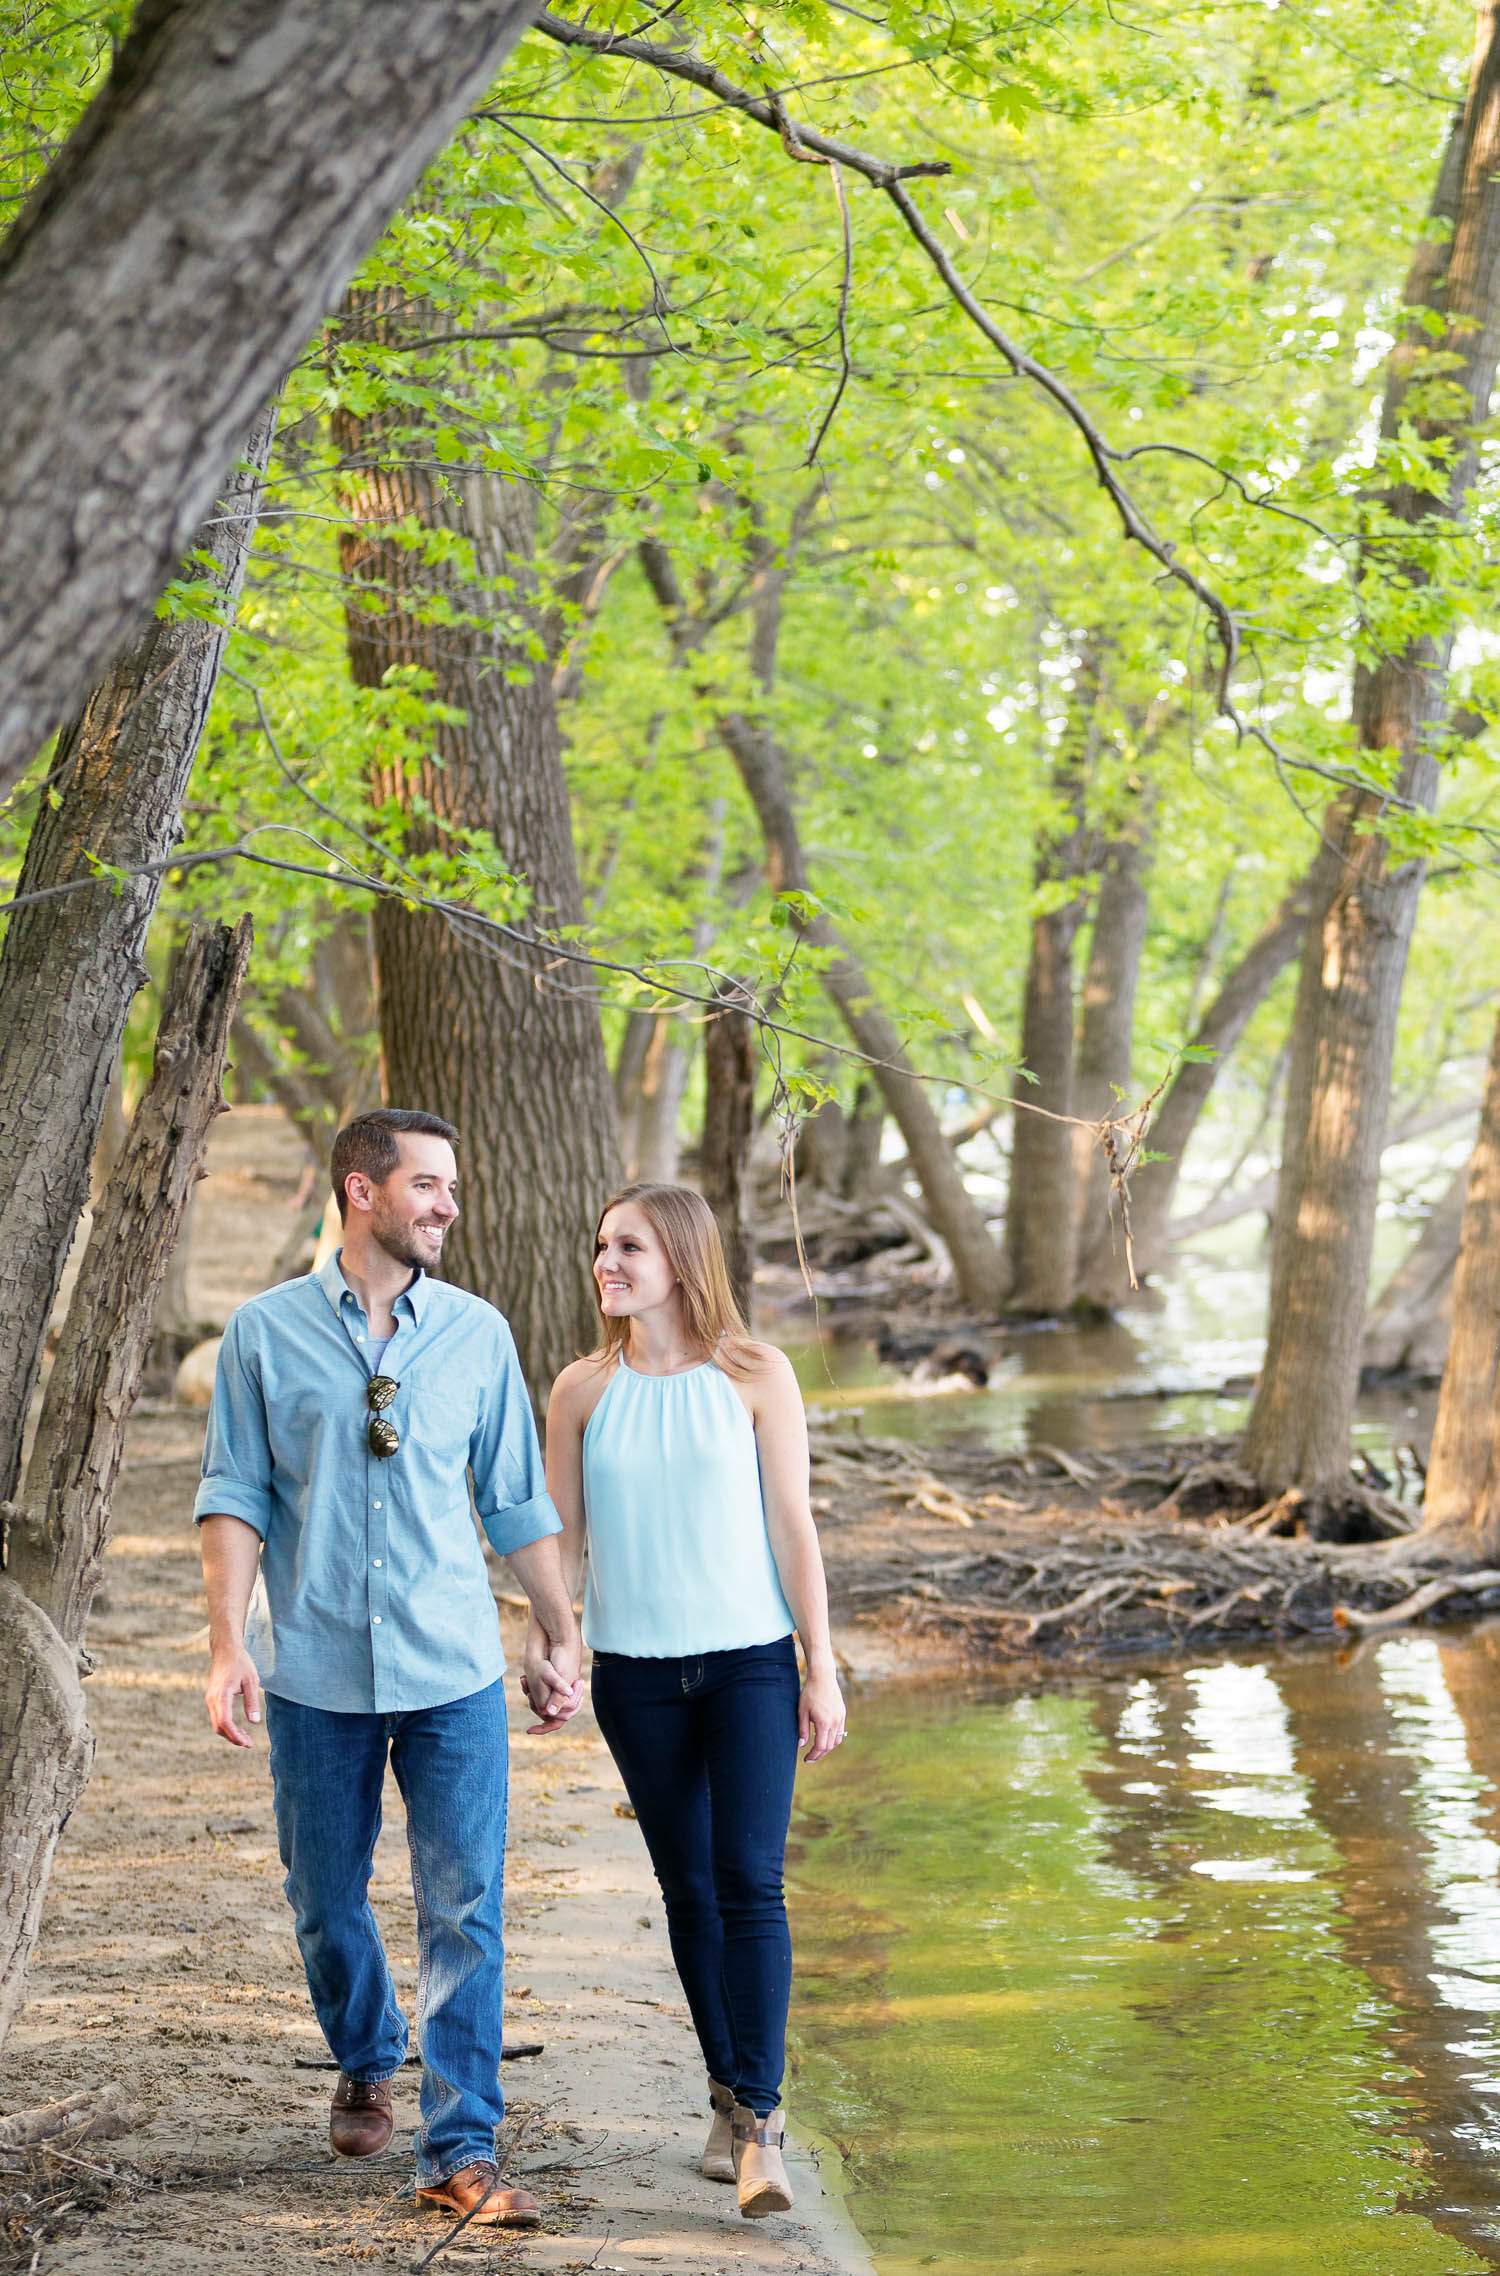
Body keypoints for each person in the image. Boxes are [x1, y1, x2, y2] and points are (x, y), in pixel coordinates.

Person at [195, 1108, 582, 2232]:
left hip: (451, 1662)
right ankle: (367, 2049)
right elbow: (235, 1494)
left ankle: (458, 2145)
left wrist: (557, 1630)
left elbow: (514, 1495)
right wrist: (228, 1641)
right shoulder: (263, 1333)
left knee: (465, 1906)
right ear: (361, 1191)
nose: (447, 1204)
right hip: (313, 1662)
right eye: (426, 1185)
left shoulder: (476, 1332)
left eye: (450, 1185)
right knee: (323, 1896)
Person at [534, 1181, 846, 2220]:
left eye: (627, 1244)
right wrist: (554, 1640)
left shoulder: (756, 1372)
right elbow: (563, 1543)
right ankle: (726, 2087)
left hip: (751, 1663)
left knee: (751, 1880)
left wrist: (822, 1664)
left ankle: (760, 2122)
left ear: (681, 1256)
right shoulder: (580, 1388)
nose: (606, 1261)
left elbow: (794, 1526)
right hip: (636, 1676)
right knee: (689, 1890)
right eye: (600, 1243)